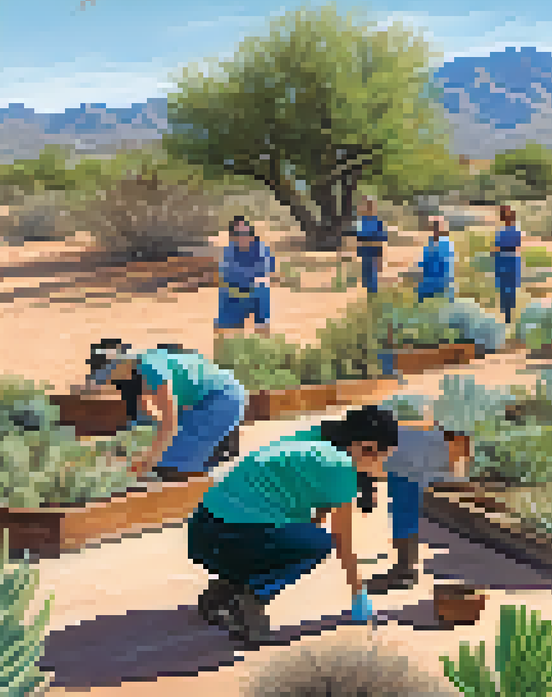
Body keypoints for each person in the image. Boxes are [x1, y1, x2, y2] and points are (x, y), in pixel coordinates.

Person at [190, 406, 399, 645]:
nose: (382, 466)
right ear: (368, 448)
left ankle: (224, 592)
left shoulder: (313, 439)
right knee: (320, 543)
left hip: (202, 534)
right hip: (232, 536)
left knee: (293, 538)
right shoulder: (340, 467)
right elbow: (342, 540)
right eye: (384, 458)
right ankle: (251, 601)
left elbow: (316, 516)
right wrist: (358, 594)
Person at [80, 340, 248, 480]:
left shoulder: (152, 369)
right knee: (171, 455)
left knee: (175, 463)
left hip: (222, 398)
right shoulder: (139, 368)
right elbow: (149, 417)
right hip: (203, 402)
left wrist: (148, 461)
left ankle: (202, 497)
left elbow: (169, 422)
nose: (109, 380)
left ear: (120, 362)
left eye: (108, 375)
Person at [364, 409, 462, 593]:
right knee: (402, 513)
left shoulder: (401, 453)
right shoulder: (398, 444)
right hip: (410, 457)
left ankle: (404, 572)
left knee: (404, 515)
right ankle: (404, 570)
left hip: (410, 460)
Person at [216, 217, 276, 338]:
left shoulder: (261, 249)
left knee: (262, 287)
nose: (242, 237)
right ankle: (227, 334)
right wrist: (248, 275)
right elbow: (226, 274)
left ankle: (263, 334)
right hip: (235, 293)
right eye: (237, 234)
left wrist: (243, 275)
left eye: (245, 233)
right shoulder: (229, 251)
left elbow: (264, 271)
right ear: (232, 237)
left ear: (251, 234)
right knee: (224, 291)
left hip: (256, 293)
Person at [352, 196, 391, 295]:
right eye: (366, 205)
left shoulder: (378, 222)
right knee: (366, 279)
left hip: (374, 252)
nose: (368, 208)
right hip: (365, 253)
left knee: (373, 279)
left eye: (370, 205)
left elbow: (381, 240)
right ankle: (370, 298)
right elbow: (359, 239)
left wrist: (380, 257)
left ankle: (373, 298)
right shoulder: (361, 222)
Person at [493, 205, 522, 324]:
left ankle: (507, 316)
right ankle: (509, 316)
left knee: (504, 289)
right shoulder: (516, 232)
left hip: (502, 260)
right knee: (511, 288)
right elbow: (517, 245)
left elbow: (496, 248)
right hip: (512, 260)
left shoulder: (500, 233)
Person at [417, 215, 456, 303]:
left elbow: (446, 272)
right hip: (429, 289)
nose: (435, 230)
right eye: (434, 226)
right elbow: (423, 267)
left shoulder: (445, 246)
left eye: (436, 226)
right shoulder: (429, 246)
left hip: (440, 290)